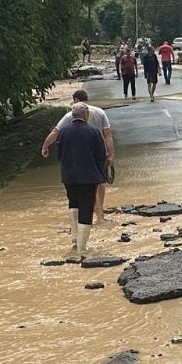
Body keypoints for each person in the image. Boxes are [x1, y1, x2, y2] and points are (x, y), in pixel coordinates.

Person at [41, 91, 115, 227]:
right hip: (99, 152)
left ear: (75, 100)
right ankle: (99, 215)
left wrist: (45, 146)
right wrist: (111, 154)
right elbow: (108, 134)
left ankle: (94, 216)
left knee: (88, 185)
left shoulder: (71, 114)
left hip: (80, 155)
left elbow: (56, 132)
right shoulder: (100, 112)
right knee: (99, 183)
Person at [54, 104, 107, 261]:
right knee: (86, 208)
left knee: (73, 203)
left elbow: (59, 155)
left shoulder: (63, 132)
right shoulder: (93, 132)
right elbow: (101, 156)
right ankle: (82, 249)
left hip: (68, 176)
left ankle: (75, 239)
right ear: (86, 115)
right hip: (88, 177)